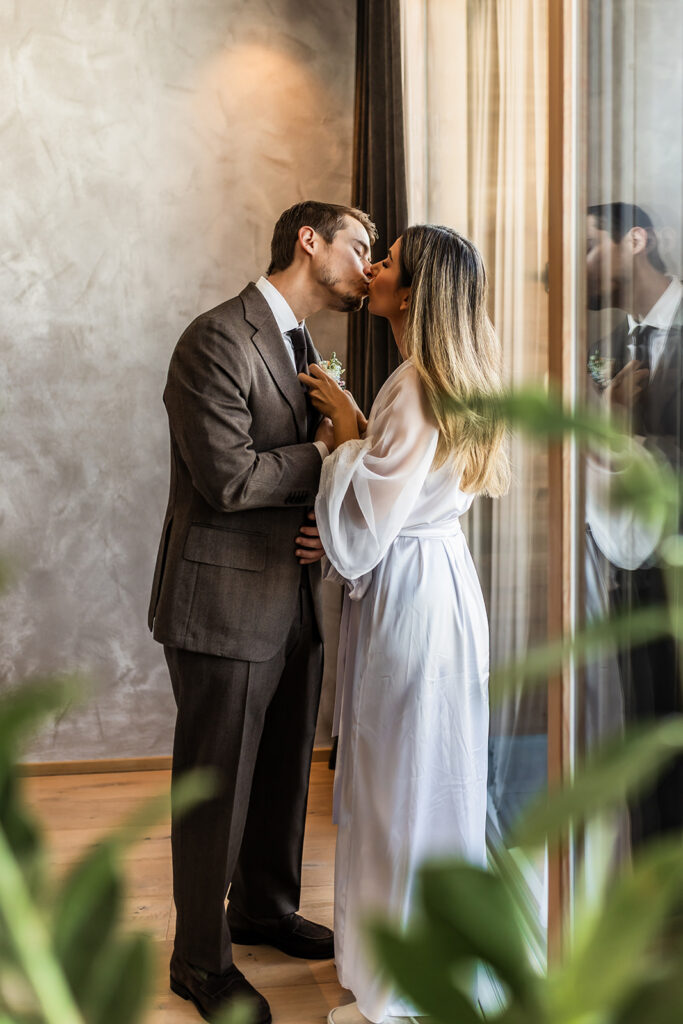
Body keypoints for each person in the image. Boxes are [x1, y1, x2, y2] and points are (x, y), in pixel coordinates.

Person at [147, 200, 377, 1024]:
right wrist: (325, 451)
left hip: (295, 597)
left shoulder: (304, 344)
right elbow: (230, 479)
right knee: (217, 787)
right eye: (359, 247)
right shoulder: (215, 337)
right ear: (309, 242)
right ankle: (198, 960)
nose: (368, 267)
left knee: (282, 771)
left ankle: (264, 911)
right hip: (223, 602)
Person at [299, 225, 510, 1024]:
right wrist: (359, 426)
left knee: (400, 778)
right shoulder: (448, 378)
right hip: (442, 582)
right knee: (426, 768)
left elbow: (374, 510)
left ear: (413, 291)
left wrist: (343, 431)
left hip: (411, 593)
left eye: (384, 262)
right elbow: (403, 484)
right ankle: (421, 953)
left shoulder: (416, 383)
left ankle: (401, 979)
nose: (371, 268)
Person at [585, 201, 683, 847]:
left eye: (591, 246)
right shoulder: (604, 351)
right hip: (628, 579)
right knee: (644, 747)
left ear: (636, 240)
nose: (581, 265)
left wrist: (624, 441)